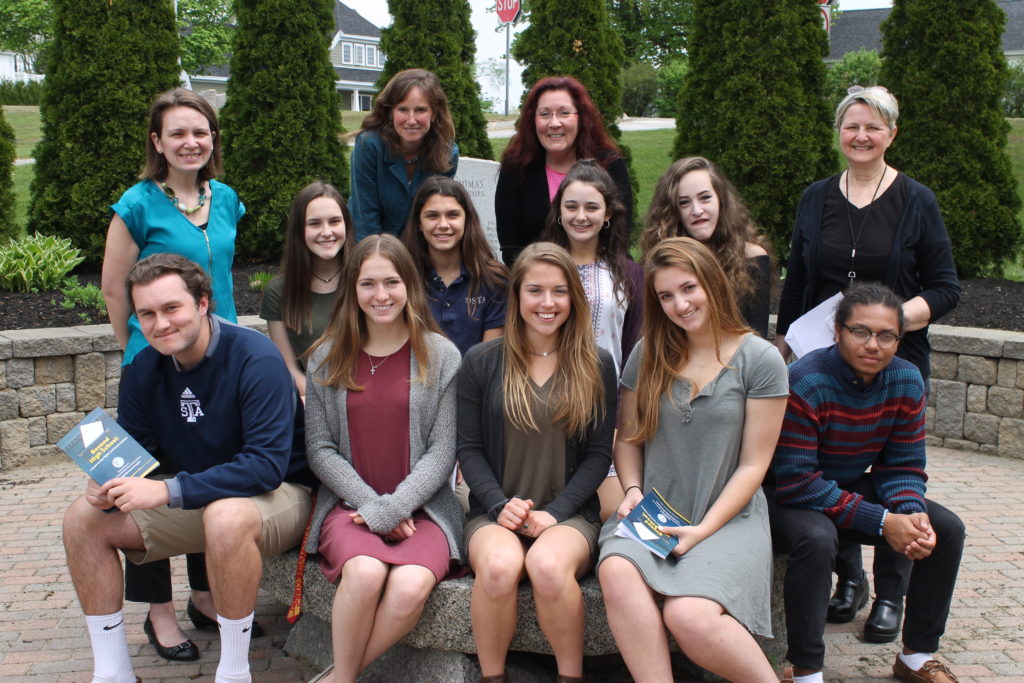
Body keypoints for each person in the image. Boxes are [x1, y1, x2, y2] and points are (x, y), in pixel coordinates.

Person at [63, 253, 313, 683]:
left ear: (202, 303)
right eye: (147, 313)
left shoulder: (257, 358)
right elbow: (135, 451)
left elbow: (265, 467)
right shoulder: (143, 368)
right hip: (200, 497)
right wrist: (103, 483)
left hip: (281, 496)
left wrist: (165, 491)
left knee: (226, 515)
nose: (160, 324)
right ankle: (112, 673)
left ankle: (234, 672)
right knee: (83, 520)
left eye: (171, 308)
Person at [774, 86, 961, 639]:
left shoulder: (916, 200)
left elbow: (946, 288)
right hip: (821, 362)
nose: (861, 136)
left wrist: (887, 326)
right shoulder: (815, 198)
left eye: (873, 128)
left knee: (891, 472)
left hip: (891, 362)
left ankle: (892, 595)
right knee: (827, 471)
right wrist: (782, 349)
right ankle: (847, 579)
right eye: (852, 126)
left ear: (891, 134)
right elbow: (798, 282)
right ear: (840, 132)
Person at [598, 237, 790, 682]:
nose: (680, 304)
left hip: (728, 517)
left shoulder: (759, 360)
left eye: (688, 288)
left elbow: (753, 466)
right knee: (617, 572)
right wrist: (630, 491)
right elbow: (627, 439)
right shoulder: (648, 354)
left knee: (690, 618)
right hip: (656, 510)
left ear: (711, 283)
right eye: (666, 295)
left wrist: (703, 530)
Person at [99, 87, 246, 661]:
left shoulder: (227, 198)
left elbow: (223, 280)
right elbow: (114, 288)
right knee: (143, 479)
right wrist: (138, 349)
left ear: (212, 139)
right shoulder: (135, 204)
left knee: (207, 469)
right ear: (157, 142)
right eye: (177, 133)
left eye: (200, 131)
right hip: (154, 362)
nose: (191, 142)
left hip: (219, 361)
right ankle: (159, 613)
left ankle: (206, 598)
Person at [768, 282, 965, 683]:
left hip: (846, 488)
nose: (873, 344)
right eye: (861, 331)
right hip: (785, 497)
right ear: (838, 331)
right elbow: (797, 479)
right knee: (818, 537)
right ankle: (805, 670)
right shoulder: (803, 380)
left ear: (899, 338)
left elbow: (904, 467)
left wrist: (910, 515)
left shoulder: (907, 380)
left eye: (886, 335)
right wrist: (881, 521)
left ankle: (916, 656)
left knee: (944, 528)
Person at [302, 235, 464, 683]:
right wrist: (374, 509)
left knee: (411, 586)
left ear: (409, 285)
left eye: (391, 282)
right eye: (368, 284)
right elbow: (320, 449)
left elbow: (443, 450)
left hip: (426, 511)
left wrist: (396, 507)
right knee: (366, 572)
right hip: (350, 509)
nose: (381, 296)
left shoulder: (441, 356)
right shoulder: (326, 357)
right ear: (352, 289)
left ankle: (340, 677)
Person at [458, 242, 617, 682]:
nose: (547, 303)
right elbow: (468, 449)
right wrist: (496, 504)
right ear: (516, 296)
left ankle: (571, 677)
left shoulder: (595, 364)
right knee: (498, 568)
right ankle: (493, 677)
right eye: (535, 291)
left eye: (559, 291)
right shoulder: (482, 362)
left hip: (569, 516)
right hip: (494, 513)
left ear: (574, 299)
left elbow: (600, 454)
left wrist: (557, 513)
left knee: (547, 568)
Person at [541, 159, 643, 521]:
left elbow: (633, 352)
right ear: (558, 212)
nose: (580, 216)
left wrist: (622, 424)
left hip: (606, 416)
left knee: (610, 512)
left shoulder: (628, 274)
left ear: (608, 214)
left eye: (591, 207)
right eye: (571, 206)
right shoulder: (540, 268)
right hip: (544, 410)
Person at [495, 76, 633, 266]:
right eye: (544, 114)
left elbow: (621, 235)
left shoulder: (609, 165)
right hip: (537, 281)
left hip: (603, 275)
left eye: (564, 113)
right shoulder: (516, 168)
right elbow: (511, 247)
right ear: (532, 120)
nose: (554, 123)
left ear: (581, 118)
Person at [640, 156, 773, 338]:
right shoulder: (661, 261)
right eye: (684, 202)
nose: (696, 210)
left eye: (705, 198)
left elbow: (757, 337)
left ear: (721, 199)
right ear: (673, 210)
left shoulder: (751, 257)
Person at [261, 182, 356, 401]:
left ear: (347, 225)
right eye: (314, 224)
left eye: (334, 221)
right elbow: (289, 369)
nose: (327, 232)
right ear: (299, 230)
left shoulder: (364, 278)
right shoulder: (280, 292)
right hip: (312, 399)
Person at [401, 176, 507, 356]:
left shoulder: (494, 280)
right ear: (419, 223)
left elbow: (487, 359)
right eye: (432, 216)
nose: (443, 225)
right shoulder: (403, 278)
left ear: (467, 219)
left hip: (472, 381)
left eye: (453, 215)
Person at [350, 68, 459, 240]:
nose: (411, 120)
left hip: (417, 253)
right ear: (390, 112)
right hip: (370, 248)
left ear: (434, 113)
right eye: (402, 109)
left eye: (420, 110)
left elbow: (433, 217)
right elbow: (365, 218)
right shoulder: (369, 145)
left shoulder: (447, 153)